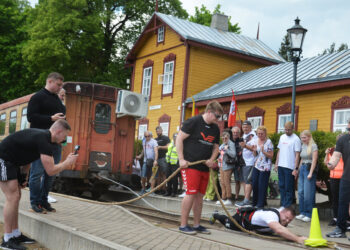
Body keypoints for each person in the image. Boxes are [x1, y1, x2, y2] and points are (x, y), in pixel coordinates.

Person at [0, 120, 78, 250]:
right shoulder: (44, 141)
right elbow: (51, 170)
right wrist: (67, 163)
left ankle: (15, 234)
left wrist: (23, 176)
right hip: (3, 159)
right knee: (12, 197)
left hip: (12, 162)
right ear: (58, 132)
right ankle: (7, 239)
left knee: (17, 196)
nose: (64, 141)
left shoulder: (43, 139)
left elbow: (28, 157)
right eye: (64, 137)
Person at [176, 101, 223, 235]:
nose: (218, 120)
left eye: (219, 117)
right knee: (190, 193)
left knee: (200, 196)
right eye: (217, 116)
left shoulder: (215, 129)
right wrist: (181, 159)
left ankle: (196, 224)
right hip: (190, 165)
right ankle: (183, 225)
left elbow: (215, 147)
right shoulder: (193, 122)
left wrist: (212, 159)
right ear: (209, 112)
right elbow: (179, 139)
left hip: (204, 167)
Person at [27, 72, 66, 213]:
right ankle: (35, 203)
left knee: (51, 174)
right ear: (50, 81)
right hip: (39, 141)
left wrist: (63, 138)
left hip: (55, 143)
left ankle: (44, 201)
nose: (60, 88)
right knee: (37, 173)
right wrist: (51, 118)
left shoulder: (58, 100)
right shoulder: (37, 97)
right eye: (58, 84)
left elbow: (61, 122)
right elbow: (31, 117)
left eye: (61, 85)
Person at [209, 206, 307, 244]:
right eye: (286, 217)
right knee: (227, 222)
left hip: (252, 226)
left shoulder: (281, 218)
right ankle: (216, 215)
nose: (286, 221)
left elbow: (283, 230)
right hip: (241, 220)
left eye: (289, 220)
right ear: (282, 212)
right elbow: (279, 230)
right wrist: (297, 239)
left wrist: (296, 237)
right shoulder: (272, 215)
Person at [326, 120, 350, 239]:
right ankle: (340, 229)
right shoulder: (343, 139)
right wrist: (331, 164)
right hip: (346, 177)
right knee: (342, 203)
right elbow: (336, 156)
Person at [274, 121, 301, 208]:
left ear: (293, 129)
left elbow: (297, 154)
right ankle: (283, 204)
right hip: (281, 165)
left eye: (289, 130)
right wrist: (276, 163)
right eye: (285, 130)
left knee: (288, 187)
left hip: (290, 166)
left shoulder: (296, 139)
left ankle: (288, 206)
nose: (287, 131)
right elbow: (279, 150)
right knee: (281, 186)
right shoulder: (282, 137)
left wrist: (295, 168)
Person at [295, 130, 318, 222]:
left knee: (308, 193)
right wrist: (298, 170)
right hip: (303, 168)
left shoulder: (313, 146)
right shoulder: (303, 145)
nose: (303, 139)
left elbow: (314, 160)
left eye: (304, 137)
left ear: (309, 137)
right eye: (301, 138)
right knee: (301, 192)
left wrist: (311, 173)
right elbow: (302, 159)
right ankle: (302, 212)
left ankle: (309, 214)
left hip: (309, 169)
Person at [251, 126, 274, 209]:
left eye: (261, 134)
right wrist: (254, 151)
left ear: (265, 134)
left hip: (265, 167)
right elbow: (255, 155)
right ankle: (255, 202)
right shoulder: (256, 141)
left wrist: (264, 151)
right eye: (258, 133)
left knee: (262, 185)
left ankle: (260, 204)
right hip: (257, 165)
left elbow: (271, 156)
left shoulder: (269, 142)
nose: (260, 135)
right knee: (254, 184)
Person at [235, 120, 257, 207]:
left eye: (247, 127)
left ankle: (246, 200)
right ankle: (246, 199)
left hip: (251, 161)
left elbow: (254, 148)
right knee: (245, 181)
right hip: (244, 161)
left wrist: (245, 146)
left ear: (250, 127)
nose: (245, 129)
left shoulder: (253, 136)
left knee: (248, 181)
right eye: (243, 127)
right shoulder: (244, 135)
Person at [324, 134, 344, 226]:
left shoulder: (345, 150)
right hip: (333, 178)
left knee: (343, 199)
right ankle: (335, 218)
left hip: (343, 178)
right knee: (335, 199)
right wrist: (327, 154)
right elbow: (326, 163)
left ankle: (344, 219)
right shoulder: (332, 150)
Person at [216, 131, 236, 206]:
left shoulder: (231, 144)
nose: (224, 139)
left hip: (228, 165)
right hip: (221, 165)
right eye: (223, 138)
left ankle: (229, 198)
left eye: (226, 138)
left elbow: (233, 155)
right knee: (222, 182)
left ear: (228, 138)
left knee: (227, 182)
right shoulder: (223, 144)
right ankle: (223, 197)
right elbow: (220, 153)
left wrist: (226, 150)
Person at [155, 126, 170, 195]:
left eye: (159, 131)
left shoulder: (166, 138)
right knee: (158, 174)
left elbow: (168, 146)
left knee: (164, 174)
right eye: (157, 131)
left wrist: (160, 147)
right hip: (156, 159)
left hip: (163, 158)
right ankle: (159, 189)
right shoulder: (155, 139)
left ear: (162, 131)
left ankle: (164, 189)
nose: (158, 132)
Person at [231, 126, 244, 200]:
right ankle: (227, 195)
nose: (235, 134)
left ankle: (236, 196)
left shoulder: (241, 140)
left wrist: (239, 165)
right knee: (226, 180)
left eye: (237, 132)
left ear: (239, 133)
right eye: (234, 132)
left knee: (237, 181)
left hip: (238, 164)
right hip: (229, 163)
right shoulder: (229, 140)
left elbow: (242, 153)